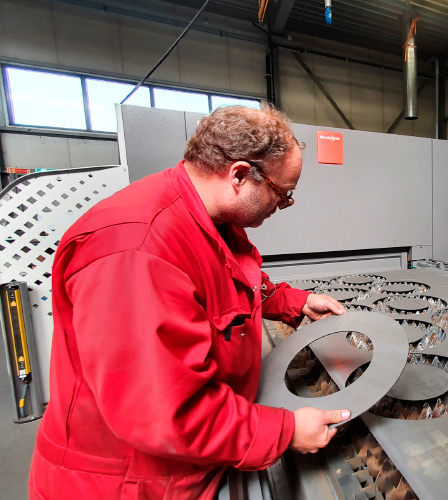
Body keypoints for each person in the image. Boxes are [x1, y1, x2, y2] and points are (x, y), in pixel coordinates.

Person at [29, 105, 350, 499]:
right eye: (282, 194)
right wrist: (284, 432)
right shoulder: (136, 250)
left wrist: (291, 301)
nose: (281, 206)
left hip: (185, 469)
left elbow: (227, 283)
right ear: (239, 175)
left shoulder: (201, 219)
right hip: (129, 484)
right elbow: (162, 411)